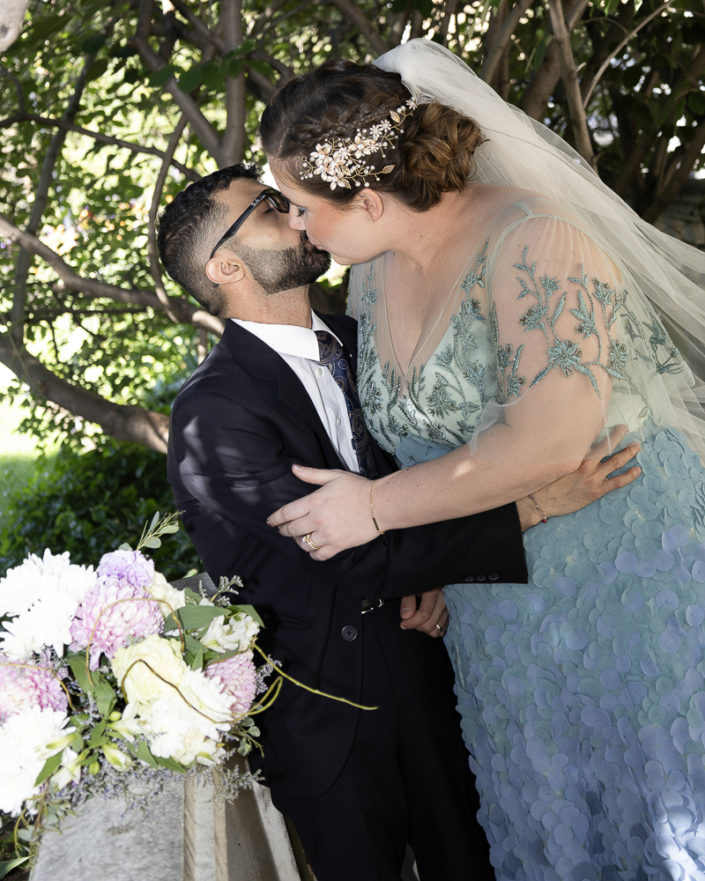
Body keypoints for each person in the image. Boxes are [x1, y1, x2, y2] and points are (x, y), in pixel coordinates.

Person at [260, 39, 705, 881]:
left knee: (659, 807)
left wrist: (375, 507)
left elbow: (548, 440)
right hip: (497, 608)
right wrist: (431, 553)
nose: (296, 225)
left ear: (367, 199)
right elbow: (424, 444)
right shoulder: (373, 274)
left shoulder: (536, 239)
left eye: (301, 205)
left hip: (621, 571)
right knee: (559, 822)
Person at [158, 163, 637, 881]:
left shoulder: (365, 340)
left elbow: (420, 484)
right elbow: (344, 552)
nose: (296, 213)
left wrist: (435, 575)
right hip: (330, 723)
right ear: (226, 266)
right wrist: (534, 506)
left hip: (437, 677)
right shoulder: (211, 415)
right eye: (268, 207)